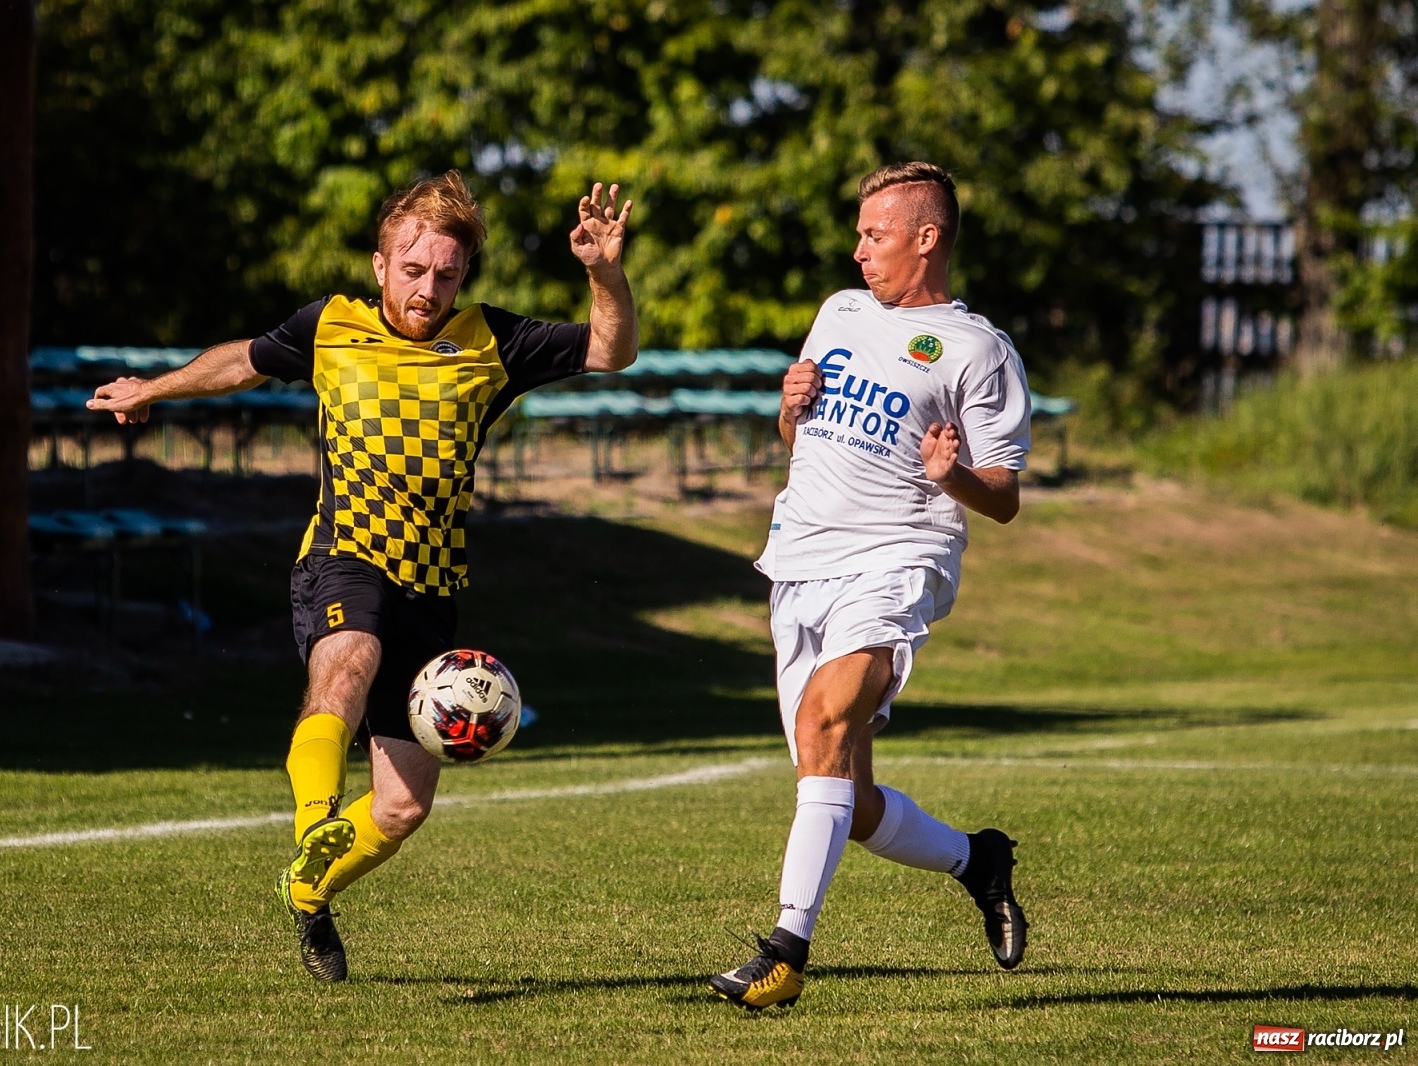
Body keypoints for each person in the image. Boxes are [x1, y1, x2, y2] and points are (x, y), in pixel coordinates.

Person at [87, 171, 637, 983]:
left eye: (447, 275)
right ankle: (315, 819)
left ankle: (308, 889)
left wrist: (603, 272)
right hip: (344, 555)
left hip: (434, 585)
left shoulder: (494, 340)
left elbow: (610, 351)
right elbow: (242, 360)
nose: (429, 288)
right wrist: (151, 390)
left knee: (402, 806)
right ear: (381, 266)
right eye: (413, 271)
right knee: (347, 663)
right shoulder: (331, 325)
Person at [710, 162, 1031, 1010]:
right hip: (799, 562)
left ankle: (784, 951)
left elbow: (1003, 496)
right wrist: (790, 401)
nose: (858, 252)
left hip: (897, 561)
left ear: (926, 239)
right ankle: (977, 859)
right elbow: (796, 435)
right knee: (841, 798)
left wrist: (955, 475)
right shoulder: (839, 312)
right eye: (857, 234)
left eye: (874, 235)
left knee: (825, 717)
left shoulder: (978, 350)